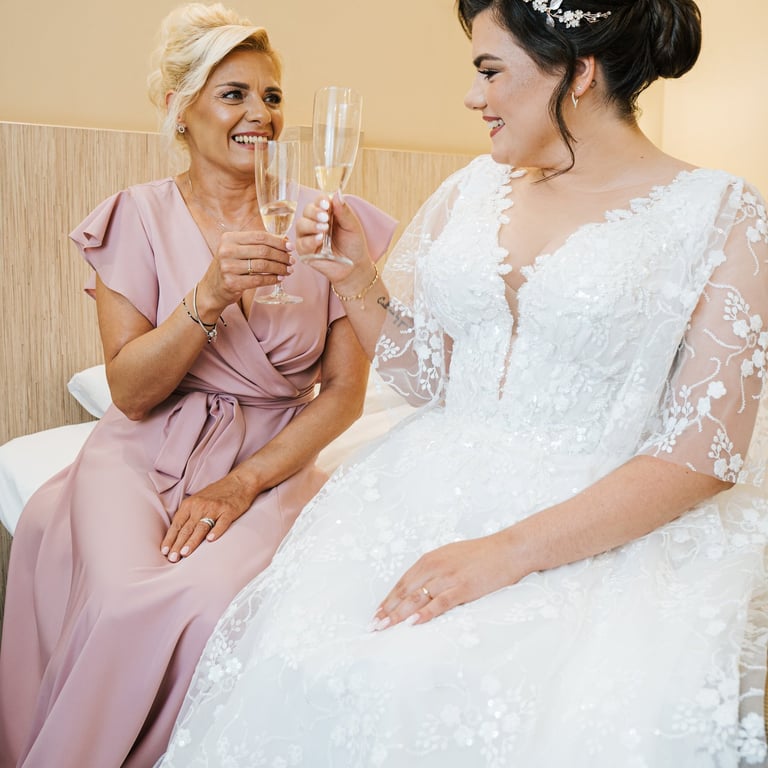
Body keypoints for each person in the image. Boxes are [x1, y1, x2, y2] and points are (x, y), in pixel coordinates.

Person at [157, 0, 768, 765]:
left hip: (592, 517)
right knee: (317, 664)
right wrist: (355, 277)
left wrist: (503, 554)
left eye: (490, 71)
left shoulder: (721, 215)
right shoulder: (473, 188)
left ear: (577, 72)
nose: (473, 97)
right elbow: (430, 378)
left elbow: (704, 454)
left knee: (431, 683)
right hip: (424, 493)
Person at [0, 3, 395, 767]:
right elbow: (130, 391)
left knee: (216, 606)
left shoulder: (325, 223)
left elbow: (346, 393)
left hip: (269, 458)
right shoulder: (132, 218)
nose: (260, 114)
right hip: (141, 449)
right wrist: (208, 296)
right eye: (233, 94)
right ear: (180, 109)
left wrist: (243, 484)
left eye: (272, 96)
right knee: (121, 599)